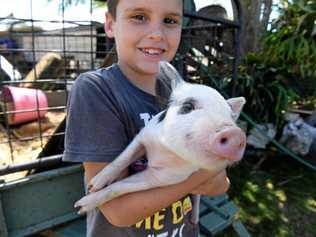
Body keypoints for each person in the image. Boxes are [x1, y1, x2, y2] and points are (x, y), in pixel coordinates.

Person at [63, 0, 230, 236]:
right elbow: (118, 211)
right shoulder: (96, 89)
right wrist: (200, 171)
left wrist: (206, 169)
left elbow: (221, 185)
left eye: (170, 21)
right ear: (110, 25)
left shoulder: (182, 93)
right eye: (139, 17)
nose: (156, 34)